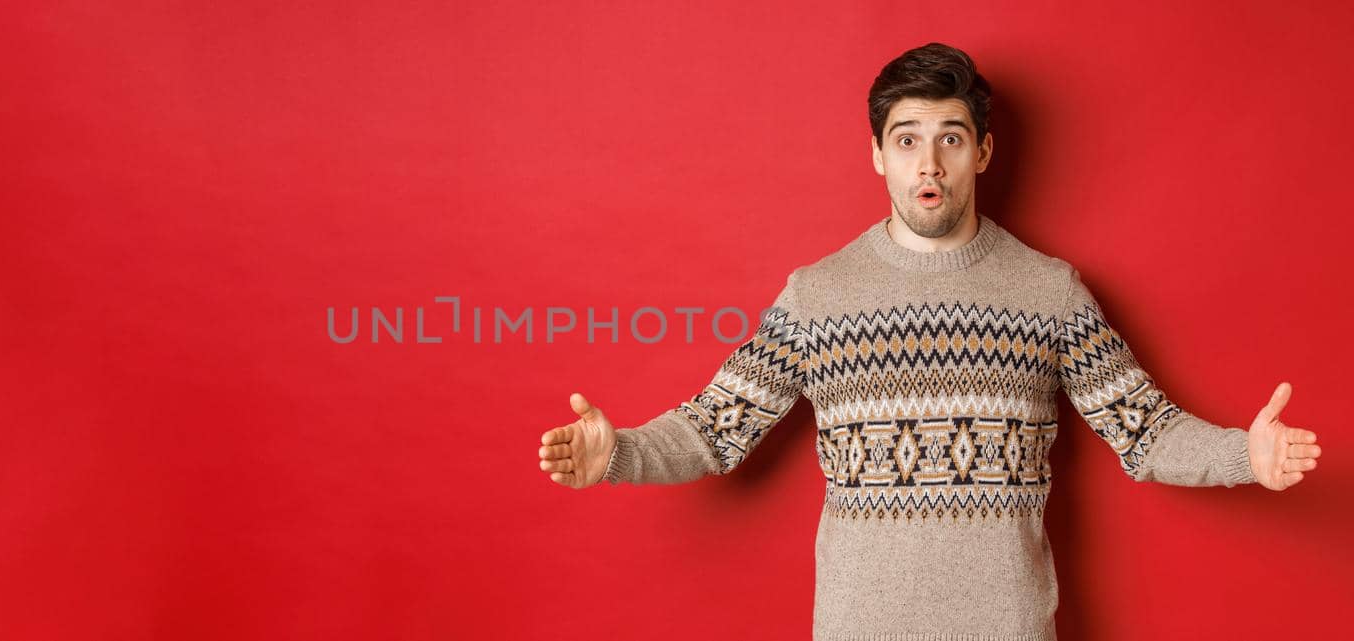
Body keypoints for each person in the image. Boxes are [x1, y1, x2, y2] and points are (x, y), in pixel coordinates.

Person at [534, 42, 1322, 641]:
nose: (928, 161)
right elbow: (715, 428)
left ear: (981, 152)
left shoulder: (1049, 291)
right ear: (877, 154)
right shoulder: (819, 294)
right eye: (906, 139)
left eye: (950, 137)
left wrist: (1242, 457)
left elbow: (1144, 433)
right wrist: (620, 453)